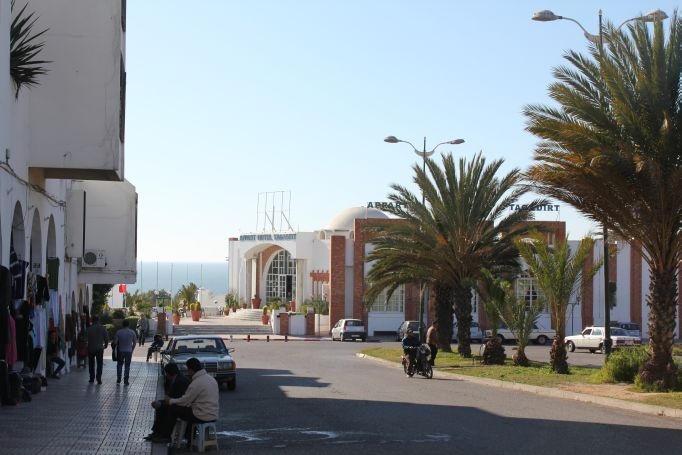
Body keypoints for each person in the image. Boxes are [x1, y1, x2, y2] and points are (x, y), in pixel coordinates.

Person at [151, 357, 219, 443]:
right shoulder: (211, 379)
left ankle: (166, 436)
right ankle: (187, 437)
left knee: (173, 409)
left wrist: (171, 401)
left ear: (191, 369)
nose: (188, 372)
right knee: (177, 409)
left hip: (201, 414)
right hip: (213, 413)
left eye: (188, 369)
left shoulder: (196, 382)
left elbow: (185, 400)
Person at [145, 363, 190, 441]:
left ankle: (165, 435)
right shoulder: (176, 379)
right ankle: (157, 432)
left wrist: (162, 403)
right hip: (177, 402)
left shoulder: (180, 381)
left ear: (168, 373)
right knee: (160, 407)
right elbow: (171, 398)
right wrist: (161, 402)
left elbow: (177, 399)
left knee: (166, 409)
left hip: (184, 405)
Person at [86, 316, 109, 384]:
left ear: (93, 321)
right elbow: (106, 338)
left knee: (91, 364)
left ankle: (91, 378)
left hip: (91, 348)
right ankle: (99, 378)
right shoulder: (102, 328)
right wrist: (106, 345)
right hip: (99, 348)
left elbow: (86, 338)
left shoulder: (89, 328)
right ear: (98, 320)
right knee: (99, 364)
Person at [114, 320, 136, 385]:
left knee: (119, 365)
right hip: (129, 351)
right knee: (127, 366)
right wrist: (132, 350)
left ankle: (118, 379)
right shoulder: (132, 332)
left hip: (120, 351)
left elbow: (115, 342)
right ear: (128, 325)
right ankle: (126, 381)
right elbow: (134, 342)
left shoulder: (119, 332)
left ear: (122, 325)